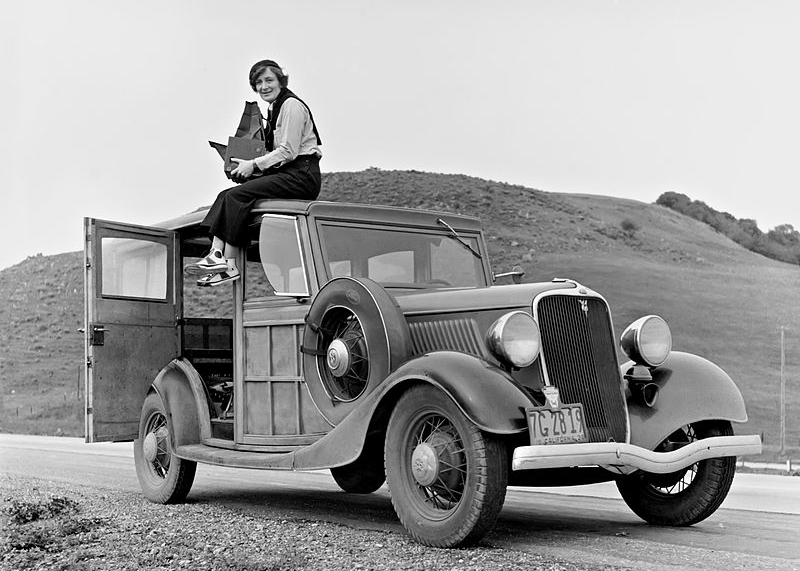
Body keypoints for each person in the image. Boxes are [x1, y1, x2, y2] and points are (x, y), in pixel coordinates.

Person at [185, 59, 322, 286]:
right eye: (258, 82)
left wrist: (254, 165)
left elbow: (288, 151)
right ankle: (218, 256)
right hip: (288, 172)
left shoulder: (291, 106)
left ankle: (226, 263)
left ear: (281, 81)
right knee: (226, 195)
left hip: (301, 174)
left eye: (269, 80)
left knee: (237, 196)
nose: (263, 86)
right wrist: (245, 165)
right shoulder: (274, 107)